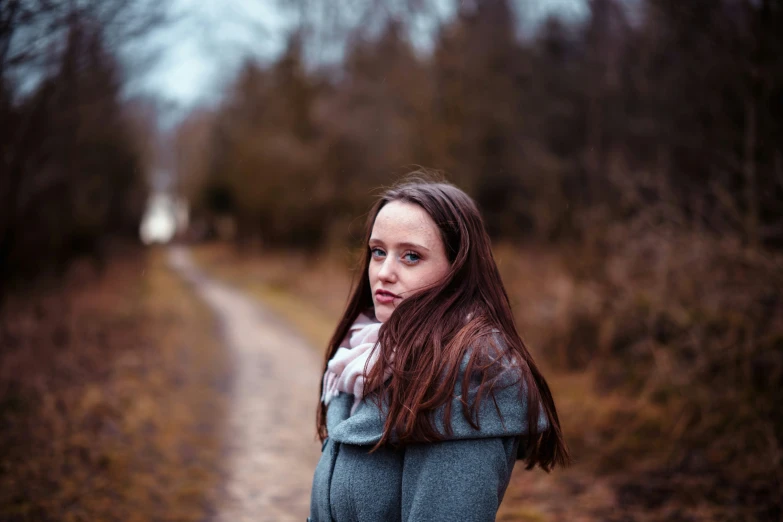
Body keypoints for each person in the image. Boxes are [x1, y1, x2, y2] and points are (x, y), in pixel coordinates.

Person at [309, 178, 570, 522]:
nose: (384, 273)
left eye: (411, 256)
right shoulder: (361, 355)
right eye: (378, 252)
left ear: (457, 270)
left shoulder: (470, 374)